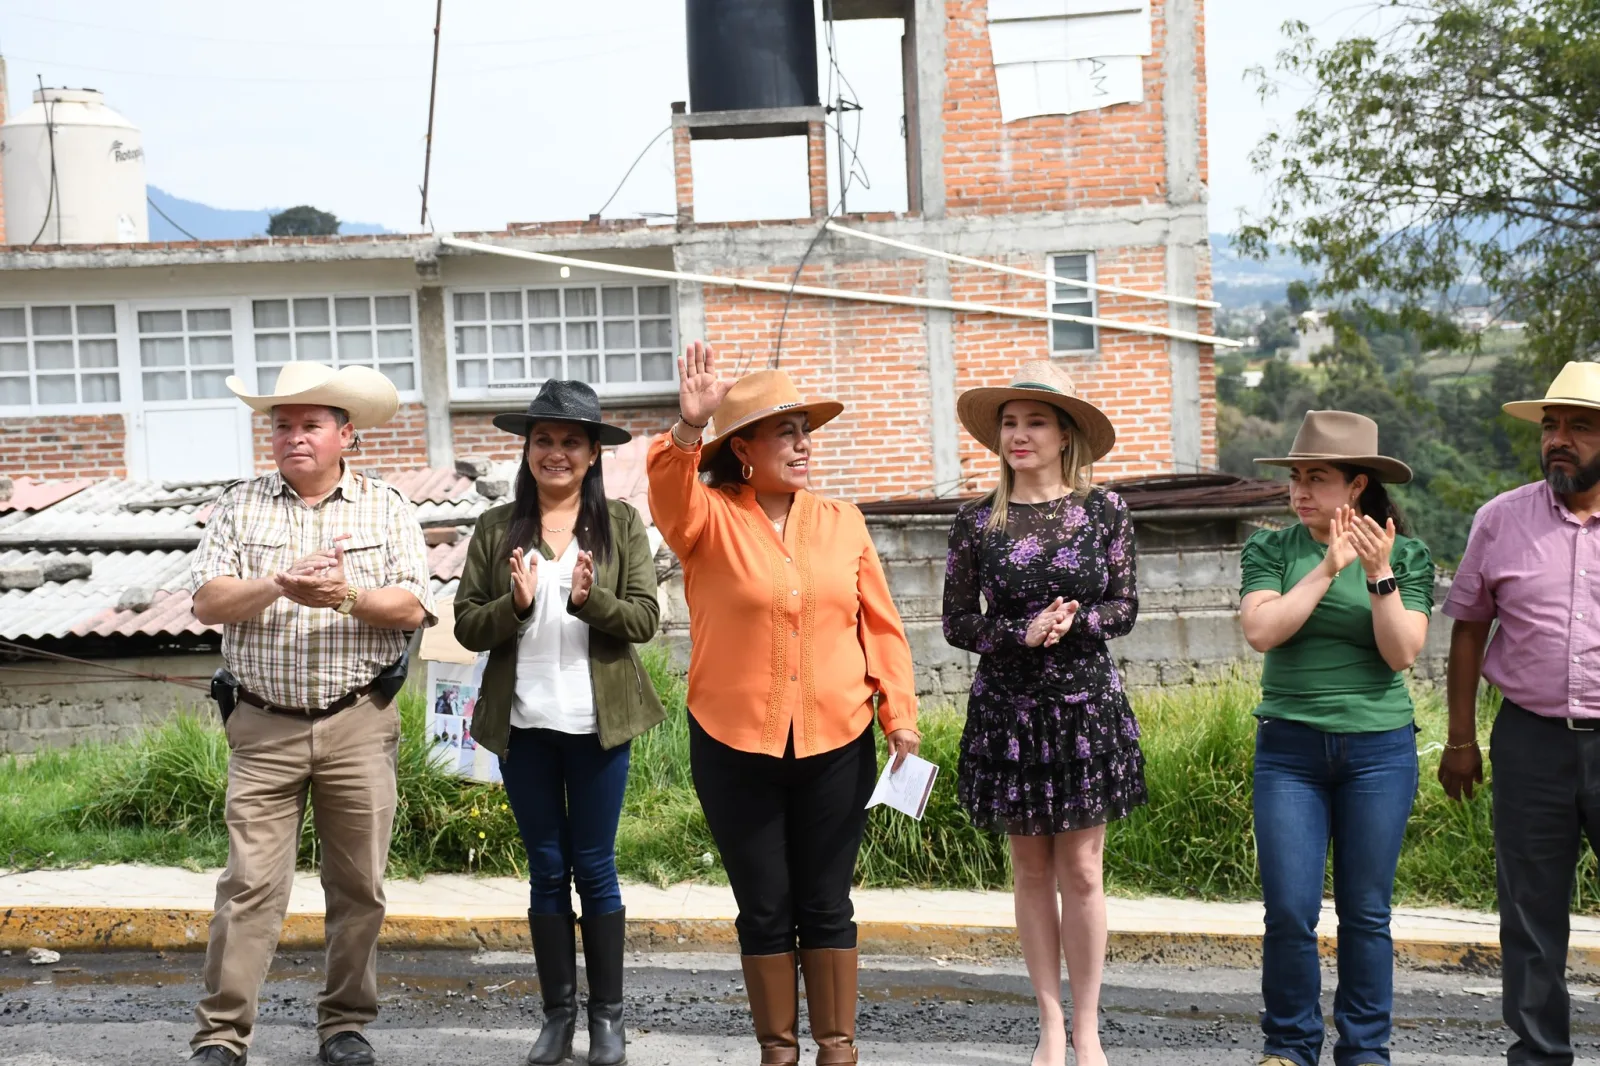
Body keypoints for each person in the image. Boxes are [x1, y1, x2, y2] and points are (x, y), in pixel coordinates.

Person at [646, 341, 920, 1066]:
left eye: (806, 432)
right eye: (785, 433)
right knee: (764, 906)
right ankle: (778, 1051)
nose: (803, 446)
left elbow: (881, 626)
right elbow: (668, 493)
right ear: (743, 450)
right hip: (734, 746)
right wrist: (685, 429)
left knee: (827, 902)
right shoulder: (705, 521)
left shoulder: (841, 522)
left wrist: (900, 716)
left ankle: (838, 1049)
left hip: (837, 741)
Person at [187, 363, 436, 1066]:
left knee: (359, 884)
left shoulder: (386, 506)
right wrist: (278, 583)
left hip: (359, 720)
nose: (293, 437)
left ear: (344, 433)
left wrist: (344, 597)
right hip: (262, 725)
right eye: (282, 425)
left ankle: (345, 1025)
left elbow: (413, 606)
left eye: (310, 424)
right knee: (249, 886)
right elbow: (207, 602)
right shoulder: (239, 506)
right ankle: (221, 1035)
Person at [453, 379, 664, 1066]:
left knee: (596, 868)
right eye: (544, 440)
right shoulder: (494, 528)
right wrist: (513, 605)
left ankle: (608, 1020)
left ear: (593, 453)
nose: (556, 452)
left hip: (598, 725)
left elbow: (643, 621)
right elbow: (466, 628)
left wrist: (589, 599)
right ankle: (556, 1019)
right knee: (547, 870)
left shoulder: (621, 526)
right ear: (527, 449)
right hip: (526, 727)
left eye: (571, 441)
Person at [940, 361, 1142, 1066]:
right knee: (1030, 869)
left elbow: (1125, 606)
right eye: (1009, 423)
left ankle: (1088, 1026)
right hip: (1009, 710)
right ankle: (1049, 1025)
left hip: (1086, 708)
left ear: (1065, 435)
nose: (1019, 435)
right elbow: (958, 622)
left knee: (1083, 870)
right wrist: (1016, 634)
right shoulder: (976, 522)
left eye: (1034, 422)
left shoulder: (1105, 511)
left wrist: (1078, 620)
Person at [1240, 410, 1434, 1066]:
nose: (1299, 490)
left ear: (1356, 486)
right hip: (1289, 752)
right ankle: (1289, 1047)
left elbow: (1402, 652)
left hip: (1378, 753)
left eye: (1316, 478)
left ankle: (1364, 1052)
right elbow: (1263, 631)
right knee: (1290, 910)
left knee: (1366, 913)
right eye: (1295, 477)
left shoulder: (1406, 554)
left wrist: (1378, 577)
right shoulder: (1271, 549)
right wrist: (1327, 567)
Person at [1439, 361, 1600, 1066]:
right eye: (1550, 427)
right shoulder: (1499, 519)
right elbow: (1469, 628)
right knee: (1531, 916)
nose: (1558, 441)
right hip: (1530, 740)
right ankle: (1539, 1057)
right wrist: (1460, 738)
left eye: (1580, 427)